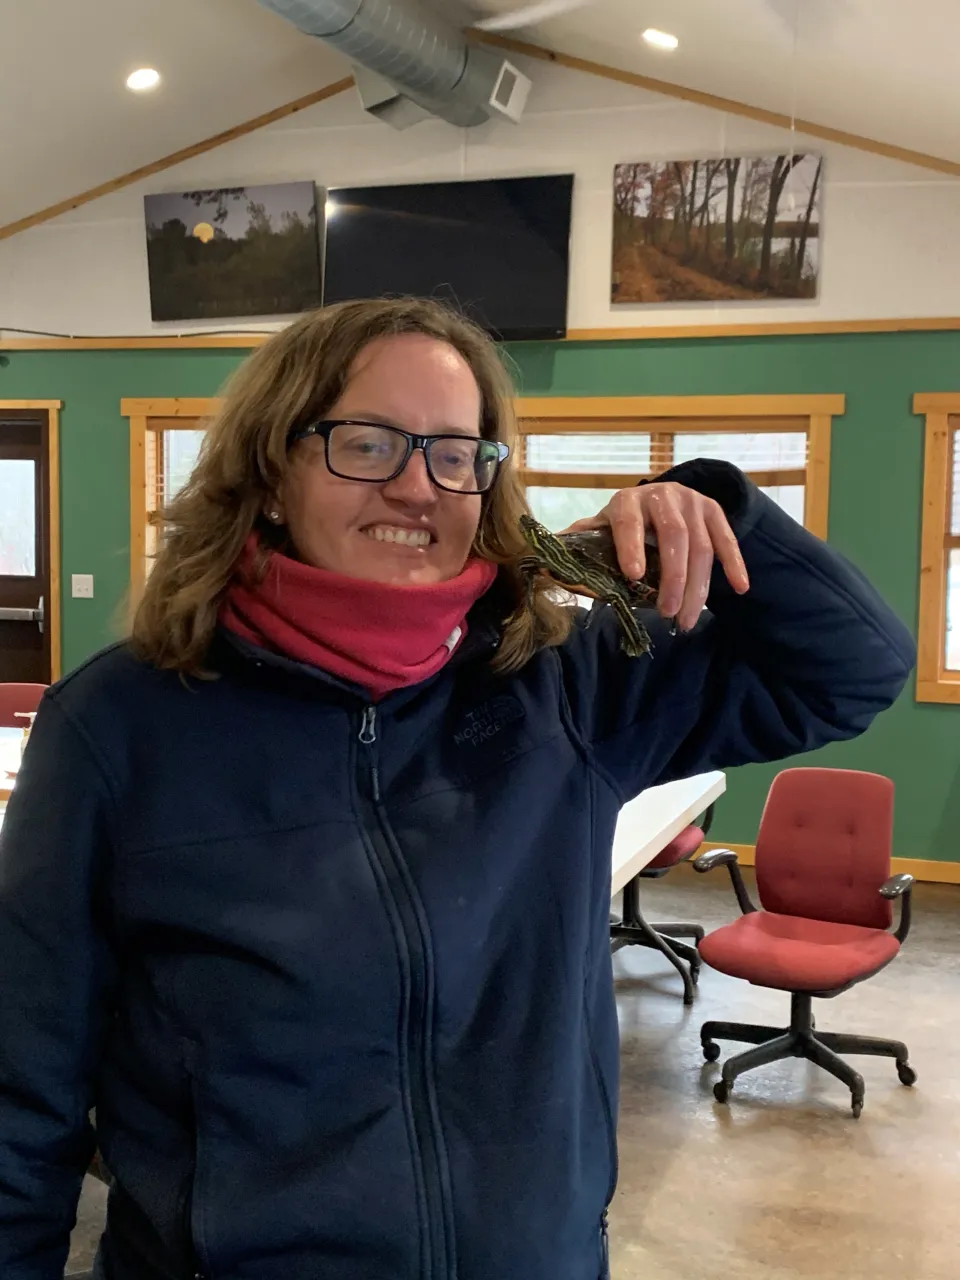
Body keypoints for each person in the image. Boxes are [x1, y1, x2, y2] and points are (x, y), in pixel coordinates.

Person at [0, 298, 914, 1280]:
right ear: (268, 470)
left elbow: (851, 669)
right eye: (366, 442)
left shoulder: (567, 685)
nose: (415, 486)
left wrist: (720, 509)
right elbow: (23, 1085)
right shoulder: (121, 725)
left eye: (454, 452)